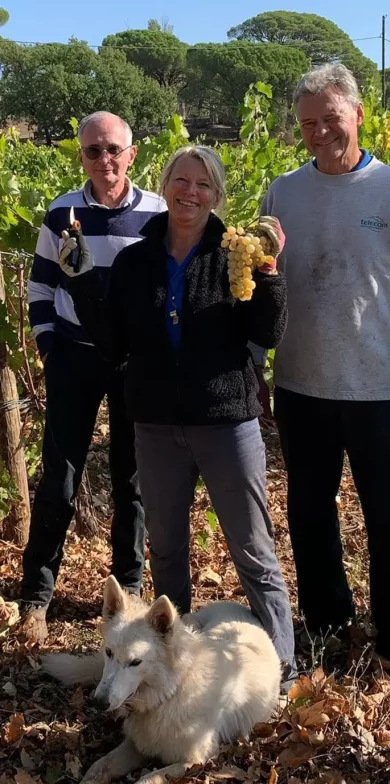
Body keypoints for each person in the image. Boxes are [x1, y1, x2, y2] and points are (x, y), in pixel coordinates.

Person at [60, 144, 297, 685]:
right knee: (166, 550)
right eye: (181, 181)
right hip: (156, 425)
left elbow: (268, 333)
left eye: (203, 184)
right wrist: (80, 280)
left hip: (225, 424)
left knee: (252, 547)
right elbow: (113, 343)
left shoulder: (234, 254)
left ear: (216, 195)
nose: (191, 193)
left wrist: (271, 272)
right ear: (164, 186)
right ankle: (175, 668)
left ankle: (281, 662)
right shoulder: (135, 261)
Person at [257, 63, 390, 669]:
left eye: (330, 119)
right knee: (310, 516)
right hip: (301, 386)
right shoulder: (282, 193)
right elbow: (262, 289)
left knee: (388, 522)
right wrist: (255, 369)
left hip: (379, 389)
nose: (319, 133)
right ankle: (327, 626)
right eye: (307, 123)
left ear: (358, 115)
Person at [19, 112, 166, 644]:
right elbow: (39, 287)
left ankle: (128, 586)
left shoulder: (158, 214)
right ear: (81, 156)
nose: (104, 160)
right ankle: (36, 593)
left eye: (113, 150)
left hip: (133, 366)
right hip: (75, 360)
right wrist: (49, 349)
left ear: (131, 154)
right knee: (59, 474)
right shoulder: (62, 212)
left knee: (132, 480)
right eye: (93, 151)